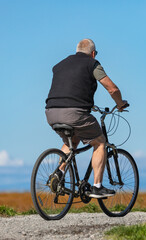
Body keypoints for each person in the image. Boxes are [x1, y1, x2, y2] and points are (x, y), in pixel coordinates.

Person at [45, 39, 128, 198]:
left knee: (72, 141)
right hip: (74, 113)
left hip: (51, 112)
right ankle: (97, 186)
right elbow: (112, 89)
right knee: (99, 141)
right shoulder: (92, 64)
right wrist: (120, 103)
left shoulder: (60, 65)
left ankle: (59, 173)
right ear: (93, 53)